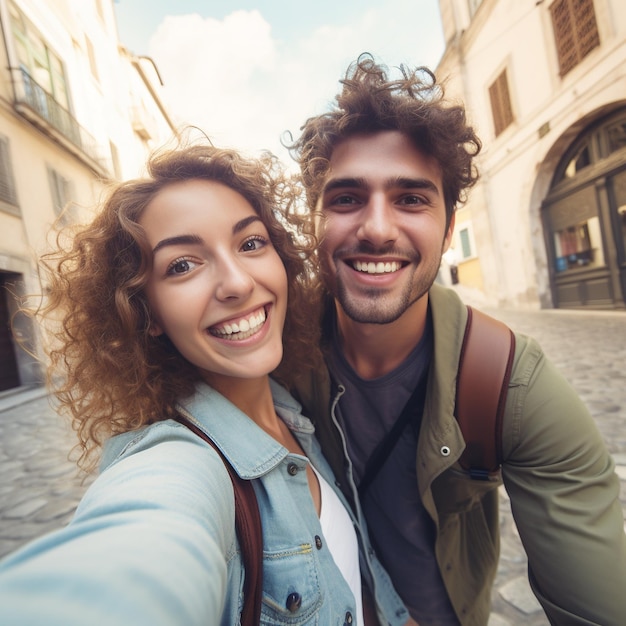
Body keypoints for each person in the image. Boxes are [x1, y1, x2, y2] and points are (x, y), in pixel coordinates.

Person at [0, 144, 412, 626]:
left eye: (251, 243)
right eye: (182, 265)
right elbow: (140, 547)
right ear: (146, 313)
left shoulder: (293, 412)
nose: (236, 282)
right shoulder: (177, 463)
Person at [288, 55, 626, 626]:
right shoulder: (268, 350)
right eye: (346, 198)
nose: (376, 228)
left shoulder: (508, 380)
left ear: (448, 230)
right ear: (315, 221)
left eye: (411, 199)